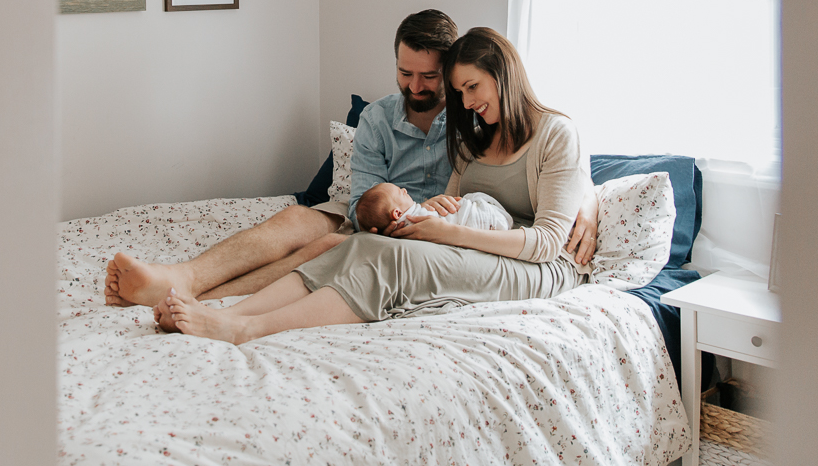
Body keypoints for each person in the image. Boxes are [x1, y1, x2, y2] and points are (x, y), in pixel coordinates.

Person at [162, 27, 595, 344]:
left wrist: (446, 232)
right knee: (359, 245)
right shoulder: (476, 135)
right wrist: (444, 207)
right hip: (474, 244)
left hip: (537, 269)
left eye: (472, 87)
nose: (465, 102)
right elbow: (458, 198)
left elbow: (547, 244)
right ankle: (225, 311)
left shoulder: (557, 134)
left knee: (397, 262)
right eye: (459, 91)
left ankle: (245, 329)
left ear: (505, 74)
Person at [104, 9, 468, 316]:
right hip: (371, 212)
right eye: (405, 74)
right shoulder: (376, 118)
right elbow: (360, 205)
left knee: (330, 247)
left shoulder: (470, 118)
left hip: (424, 231)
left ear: (449, 72)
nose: (415, 86)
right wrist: (369, 217)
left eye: (429, 77)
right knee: (296, 218)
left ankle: (189, 298)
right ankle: (183, 276)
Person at [354, 183, 511, 234]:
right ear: (397, 213)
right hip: (478, 219)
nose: (404, 190)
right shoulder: (416, 217)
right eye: (400, 192)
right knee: (472, 197)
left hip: (480, 223)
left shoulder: (403, 230)